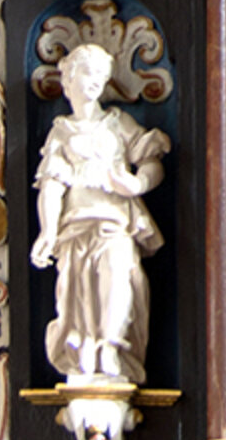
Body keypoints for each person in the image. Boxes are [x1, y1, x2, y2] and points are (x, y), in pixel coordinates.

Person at [32, 42, 168, 387]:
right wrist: (47, 232)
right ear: (69, 78)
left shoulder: (116, 123)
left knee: (117, 277)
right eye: (88, 73)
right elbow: (51, 185)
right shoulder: (61, 131)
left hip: (116, 221)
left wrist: (137, 184)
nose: (95, 81)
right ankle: (84, 350)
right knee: (74, 292)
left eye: (101, 75)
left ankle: (111, 345)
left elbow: (151, 160)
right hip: (75, 227)